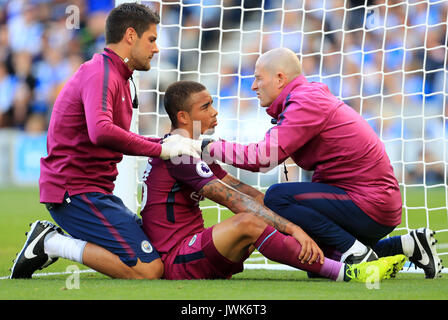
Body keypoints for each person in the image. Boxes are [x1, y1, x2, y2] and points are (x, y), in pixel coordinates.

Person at [197, 47, 443, 279]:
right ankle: (406, 245)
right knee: (318, 263)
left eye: (258, 78)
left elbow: (263, 159)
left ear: (280, 78)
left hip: (370, 204)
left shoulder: (305, 102)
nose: (253, 86)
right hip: (367, 201)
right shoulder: (306, 98)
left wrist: (210, 147)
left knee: (276, 197)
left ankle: (356, 253)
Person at [139, 80, 406, 282]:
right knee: (249, 221)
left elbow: (243, 190)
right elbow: (232, 200)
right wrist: (293, 228)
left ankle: (382, 250)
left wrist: (292, 215)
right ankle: (348, 273)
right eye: (206, 107)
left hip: (196, 249)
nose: (215, 111)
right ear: (184, 117)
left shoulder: (188, 149)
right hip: (177, 257)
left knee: (271, 208)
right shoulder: (178, 155)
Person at [10, 3, 199, 280]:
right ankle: (50, 243)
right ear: (131, 36)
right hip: (75, 193)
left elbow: (113, 134)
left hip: (94, 192)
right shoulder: (101, 73)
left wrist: (170, 142)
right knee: (149, 270)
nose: (156, 49)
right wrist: (162, 149)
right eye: (152, 39)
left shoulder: (118, 76)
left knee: (157, 251)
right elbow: (101, 131)